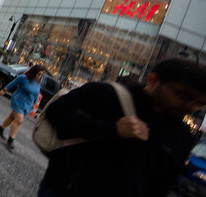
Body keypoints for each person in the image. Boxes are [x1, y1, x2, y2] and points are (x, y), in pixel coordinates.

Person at [37, 58, 206, 197]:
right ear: (153, 80)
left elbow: (162, 184)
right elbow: (55, 112)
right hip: (64, 189)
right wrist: (112, 128)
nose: (189, 106)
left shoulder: (181, 136)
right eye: (182, 95)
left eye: (199, 103)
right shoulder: (107, 95)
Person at [0, 65, 46, 151]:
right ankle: (10, 140)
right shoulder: (23, 78)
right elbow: (13, 83)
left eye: (41, 75)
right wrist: (4, 90)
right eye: (38, 74)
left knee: (12, 117)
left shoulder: (38, 83)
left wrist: (35, 103)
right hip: (18, 100)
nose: (39, 76)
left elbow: (37, 94)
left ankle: (0, 129)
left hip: (28, 105)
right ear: (34, 72)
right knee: (19, 120)